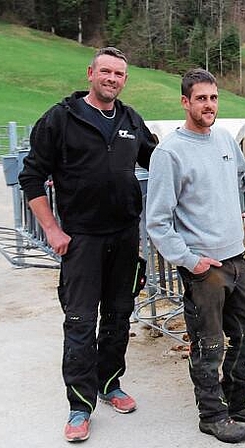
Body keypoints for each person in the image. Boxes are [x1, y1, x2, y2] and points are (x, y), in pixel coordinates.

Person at [18, 47, 157, 442]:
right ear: (90, 73)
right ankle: (80, 405)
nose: (112, 79)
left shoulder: (131, 120)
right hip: (82, 239)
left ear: (125, 80)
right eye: (105, 72)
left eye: (119, 74)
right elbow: (32, 177)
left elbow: (162, 161)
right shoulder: (61, 119)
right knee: (80, 321)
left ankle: (110, 384)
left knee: (118, 315)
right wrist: (52, 229)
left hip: (125, 235)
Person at [145, 68, 245, 444]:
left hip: (235, 259)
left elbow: (243, 180)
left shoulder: (224, 139)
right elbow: (158, 222)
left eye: (213, 98)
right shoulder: (170, 153)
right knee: (209, 345)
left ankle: (235, 400)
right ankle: (211, 415)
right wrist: (189, 260)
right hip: (204, 269)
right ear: (185, 102)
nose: (209, 105)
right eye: (201, 98)